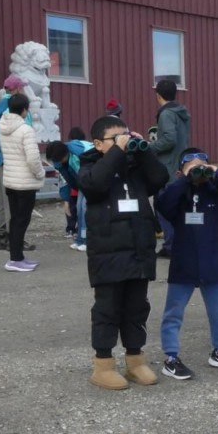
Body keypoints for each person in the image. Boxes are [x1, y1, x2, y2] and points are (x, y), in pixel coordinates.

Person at [78, 115, 169, 390]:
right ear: (97, 143)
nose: (123, 141)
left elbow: (160, 178)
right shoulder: (89, 166)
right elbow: (95, 185)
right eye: (115, 138)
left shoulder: (135, 166)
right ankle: (103, 364)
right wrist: (117, 151)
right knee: (107, 309)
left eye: (125, 135)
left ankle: (135, 360)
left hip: (139, 249)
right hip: (107, 252)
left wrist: (143, 151)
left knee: (136, 308)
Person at [156, 148, 218, 380]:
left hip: (215, 260)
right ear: (180, 172)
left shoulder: (217, 194)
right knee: (173, 312)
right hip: (184, 261)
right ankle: (171, 357)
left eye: (202, 166)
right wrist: (185, 180)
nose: (198, 171)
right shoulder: (177, 194)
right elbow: (163, 204)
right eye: (192, 167)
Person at [0, 93, 45, 272]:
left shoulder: (4, 127)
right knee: (21, 221)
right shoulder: (25, 130)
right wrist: (40, 173)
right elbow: (33, 158)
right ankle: (15, 259)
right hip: (25, 182)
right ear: (24, 109)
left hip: (10, 180)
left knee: (15, 219)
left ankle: (17, 257)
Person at [0, 75, 36, 252]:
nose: (23, 89)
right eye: (21, 87)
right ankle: (13, 237)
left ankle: (2, 236)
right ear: (15, 88)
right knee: (12, 197)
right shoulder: (10, 102)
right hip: (9, 151)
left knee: (1, 196)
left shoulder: (3, 102)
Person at [149, 79, 191, 257]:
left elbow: (169, 140)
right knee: (178, 206)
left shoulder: (166, 114)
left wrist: (149, 146)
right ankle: (179, 243)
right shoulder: (181, 113)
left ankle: (170, 245)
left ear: (158, 95)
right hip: (180, 164)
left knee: (163, 206)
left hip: (167, 167)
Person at [46, 136, 95, 252]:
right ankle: (80, 239)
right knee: (79, 208)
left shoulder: (79, 153)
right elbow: (64, 180)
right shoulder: (61, 163)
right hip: (83, 184)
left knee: (85, 207)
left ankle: (88, 239)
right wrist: (66, 200)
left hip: (93, 181)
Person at [64, 127, 86, 237]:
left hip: (73, 188)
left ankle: (71, 228)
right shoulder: (83, 149)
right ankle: (79, 229)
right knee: (81, 208)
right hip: (82, 185)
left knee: (72, 209)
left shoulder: (70, 153)